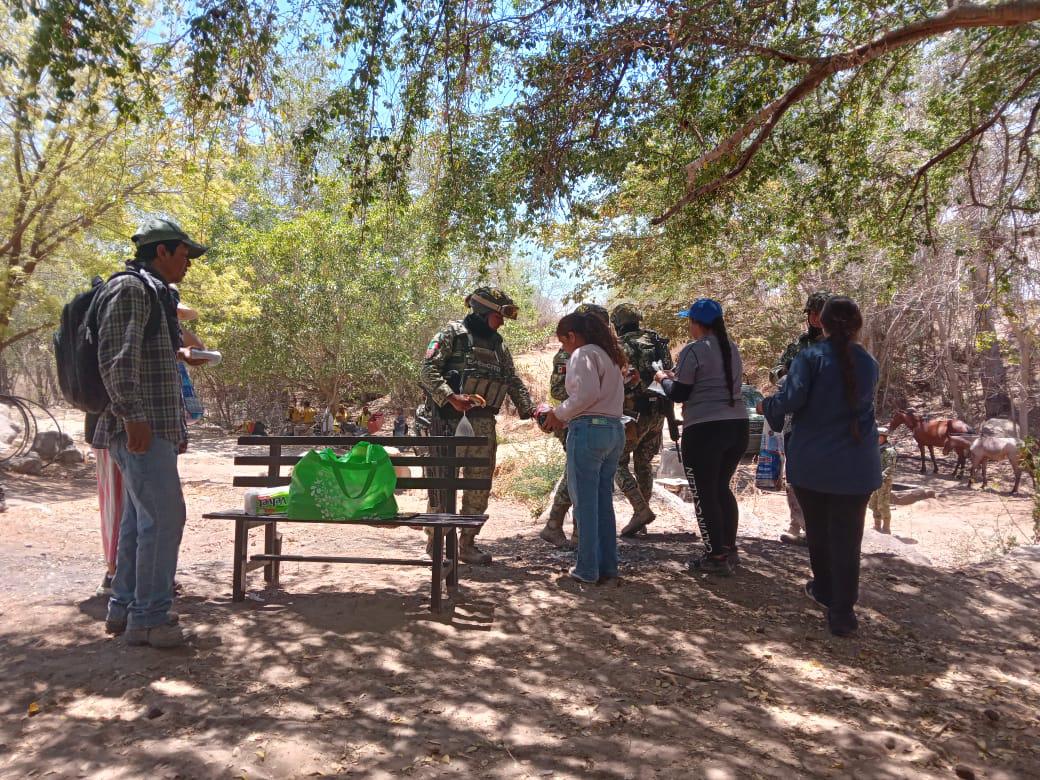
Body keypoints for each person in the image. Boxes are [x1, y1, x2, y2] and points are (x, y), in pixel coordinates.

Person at [92, 217, 208, 649]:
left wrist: (181, 355)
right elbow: (116, 359)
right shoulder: (130, 289)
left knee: (138, 520)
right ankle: (151, 619)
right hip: (141, 427)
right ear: (161, 251)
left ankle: (124, 607)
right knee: (164, 518)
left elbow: (142, 353)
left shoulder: (154, 294)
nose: (188, 263)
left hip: (151, 423)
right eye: (184, 254)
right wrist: (131, 415)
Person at [760, 296, 882, 637]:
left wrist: (767, 405)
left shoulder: (809, 357)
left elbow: (791, 401)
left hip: (814, 462)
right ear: (857, 325)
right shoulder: (868, 362)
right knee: (848, 536)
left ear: (821, 323)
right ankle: (843, 612)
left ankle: (826, 592)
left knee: (819, 532)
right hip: (858, 465)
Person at [419, 286, 535, 564]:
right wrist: (450, 396)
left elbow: (512, 379)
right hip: (446, 423)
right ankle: (436, 542)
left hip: (483, 426)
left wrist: (529, 409)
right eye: (500, 315)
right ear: (484, 312)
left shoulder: (499, 345)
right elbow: (427, 370)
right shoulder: (452, 333)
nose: (503, 321)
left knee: (479, 485)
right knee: (443, 485)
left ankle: (467, 544)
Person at [654, 299, 749, 575]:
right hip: (737, 425)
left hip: (705, 429)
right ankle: (729, 550)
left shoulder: (693, 350)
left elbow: (679, 393)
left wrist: (661, 378)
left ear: (697, 323)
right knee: (721, 488)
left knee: (705, 494)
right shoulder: (730, 348)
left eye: (690, 322)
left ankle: (715, 557)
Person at [543, 311, 626, 583]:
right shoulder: (610, 357)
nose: (564, 349)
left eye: (563, 342)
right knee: (603, 503)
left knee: (585, 505)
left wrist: (559, 413)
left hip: (589, 430)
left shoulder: (582, 354)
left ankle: (587, 569)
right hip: (614, 430)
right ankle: (608, 567)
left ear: (572, 336)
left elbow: (586, 394)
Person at [538, 303, 609, 548]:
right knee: (578, 477)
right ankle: (571, 531)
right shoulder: (571, 353)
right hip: (573, 421)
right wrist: (565, 411)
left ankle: (562, 527)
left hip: (596, 423)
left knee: (584, 477)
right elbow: (559, 390)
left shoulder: (603, 352)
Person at [771, 291, 831, 546]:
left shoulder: (840, 346)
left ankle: (821, 527)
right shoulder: (798, 345)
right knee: (794, 473)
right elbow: (775, 373)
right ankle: (797, 522)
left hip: (828, 422)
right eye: (811, 313)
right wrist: (786, 372)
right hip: (796, 418)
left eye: (820, 313)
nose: (815, 318)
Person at [610, 304, 675, 537]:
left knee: (615, 463)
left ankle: (641, 510)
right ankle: (642, 521)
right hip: (659, 412)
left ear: (617, 323)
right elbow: (669, 373)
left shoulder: (620, 345)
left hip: (633, 414)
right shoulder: (657, 342)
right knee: (644, 464)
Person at [869, 427, 896, 534]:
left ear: (885, 438)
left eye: (880, 437)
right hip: (875, 481)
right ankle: (877, 525)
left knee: (883, 504)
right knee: (873, 503)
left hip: (884, 481)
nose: (878, 439)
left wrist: (881, 476)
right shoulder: (875, 449)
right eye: (877, 437)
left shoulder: (889, 451)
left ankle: (886, 527)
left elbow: (891, 467)